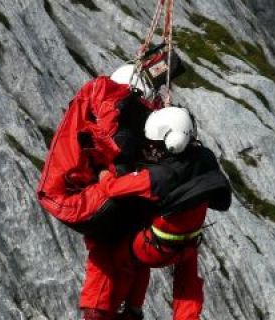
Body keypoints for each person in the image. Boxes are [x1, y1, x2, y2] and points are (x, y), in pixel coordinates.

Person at [36, 49, 189, 320]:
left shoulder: (103, 104)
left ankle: (120, 309)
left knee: (118, 242)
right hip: (73, 198)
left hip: (75, 196)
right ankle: (118, 311)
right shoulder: (113, 101)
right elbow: (116, 145)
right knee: (126, 231)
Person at [104, 107, 232, 320]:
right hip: (189, 245)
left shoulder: (159, 177)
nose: (151, 149)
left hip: (152, 248)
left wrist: (103, 175)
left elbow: (112, 189)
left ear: (169, 144)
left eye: (155, 145)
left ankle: (124, 311)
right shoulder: (205, 158)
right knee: (187, 284)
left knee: (121, 260)